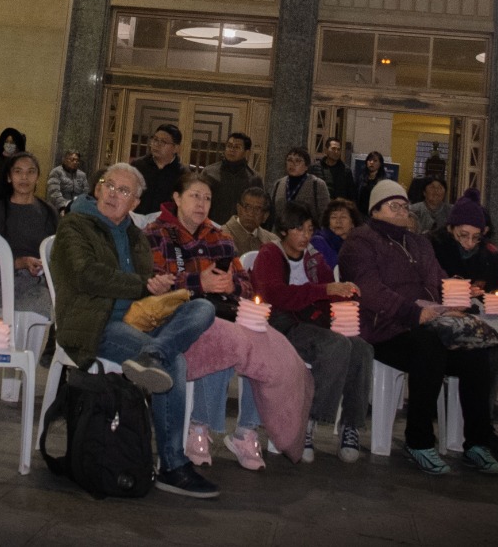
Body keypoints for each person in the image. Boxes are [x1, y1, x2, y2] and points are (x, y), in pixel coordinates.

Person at [49, 162, 220, 499]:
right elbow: (88, 276)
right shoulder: (76, 227)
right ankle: (172, 466)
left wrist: (160, 286)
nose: (113, 193)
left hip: (137, 320)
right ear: (97, 188)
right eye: (108, 185)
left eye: (123, 190)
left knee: (203, 307)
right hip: (95, 323)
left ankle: (152, 353)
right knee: (175, 364)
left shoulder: (135, 235)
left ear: (136, 202)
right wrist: (143, 284)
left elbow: (148, 283)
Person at [339, 179, 498, 475]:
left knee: (475, 349)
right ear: (375, 210)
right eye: (394, 206)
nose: (403, 211)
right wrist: (412, 312)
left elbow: (441, 280)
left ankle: (477, 442)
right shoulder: (360, 241)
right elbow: (368, 289)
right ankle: (418, 440)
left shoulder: (418, 242)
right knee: (428, 348)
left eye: (405, 205)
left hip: (430, 324)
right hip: (386, 330)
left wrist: (459, 300)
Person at [143, 174, 266, 470]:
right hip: (178, 317)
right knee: (219, 339)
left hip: (223, 310)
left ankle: (246, 430)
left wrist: (230, 286)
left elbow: (247, 285)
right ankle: (199, 426)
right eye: (194, 196)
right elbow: (156, 282)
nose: (201, 204)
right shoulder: (156, 232)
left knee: (259, 339)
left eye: (207, 198)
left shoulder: (219, 236)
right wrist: (200, 283)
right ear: (177, 198)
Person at [251, 202, 372, 463]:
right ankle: (308, 420)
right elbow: (273, 294)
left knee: (362, 347)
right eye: (299, 229)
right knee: (336, 345)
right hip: (282, 325)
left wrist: (345, 295)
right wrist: (324, 291)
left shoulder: (314, 259)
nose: (306, 235)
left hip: (314, 324)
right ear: (283, 231)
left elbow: (329, 290)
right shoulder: (270, 254)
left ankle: (350, 425)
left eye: (309, 229)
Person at [431, 189, 498, 460]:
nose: (468, 243)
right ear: (450, 228)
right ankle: (484, 428)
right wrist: (460, 295)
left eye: (475, 237)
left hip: (489, 324)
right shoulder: (434, 248)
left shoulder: (491, 255)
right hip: (450, 325)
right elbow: (430, 291)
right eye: (462, 236)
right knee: (495, 353)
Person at [0, 151, 57, 314]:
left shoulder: (48, 212)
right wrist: (21, 262)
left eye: (30, 172)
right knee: (44, 302)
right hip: (7, 280)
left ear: (38, 178)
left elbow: (58, 251)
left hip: (43, 280)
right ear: (9, 177)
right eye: (18, 172)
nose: (24, 178)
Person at [200, 132, 262, 224]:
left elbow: (260, 209)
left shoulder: (254, 179)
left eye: (237, 147)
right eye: (229, 146)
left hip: (241, 231)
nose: (231, 150)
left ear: (246, 152)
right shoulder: (209, 173)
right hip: (212, 229)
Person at [270, 146, 330, 229]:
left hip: (307, 235)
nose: (292, 164)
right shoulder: (279, 183)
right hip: (281, 234)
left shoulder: (317, 184)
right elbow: (272, 213)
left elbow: (325, 214)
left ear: (306, 166)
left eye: (298, 161)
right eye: (289, 160)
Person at [130, 123, 184, 214]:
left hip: (166, 225)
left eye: (163, 142)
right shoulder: (138, 166)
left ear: (176, 148)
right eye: (155, 139)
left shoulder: (182, 173)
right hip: (136, 221)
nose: (157, 144)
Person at [224, 184, 279, 257]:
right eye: (247, 207)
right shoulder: (221, 236)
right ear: (239, 209)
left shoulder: (273, 241)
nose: (251, 214)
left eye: (257, 209)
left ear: (265, 216)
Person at [312, 197, 361, 271]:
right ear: (328, 223)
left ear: (352, 223)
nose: (338, 221)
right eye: (334, 217)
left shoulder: (358, 245)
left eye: (343, 217)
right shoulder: (319, 242)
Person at [311, 137, 354, 201]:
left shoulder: (346, 170)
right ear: (326, 150)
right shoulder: (315, 168)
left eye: (338, 149)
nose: (336, 152)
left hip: (338, 207)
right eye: (333, 149)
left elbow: (351, 195)